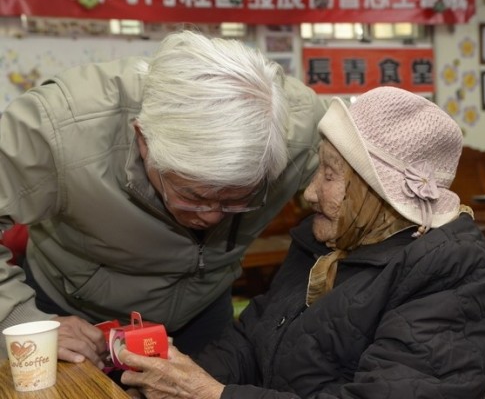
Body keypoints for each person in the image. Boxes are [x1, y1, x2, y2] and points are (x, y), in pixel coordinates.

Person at [118, 86, 485, 399]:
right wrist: (174, 375)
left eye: (328, 175)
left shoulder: (453, 273)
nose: (309, 194)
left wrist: (212, 394)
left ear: (376, 195)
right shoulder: (331, 243)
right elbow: (250, 340)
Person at [0, 30, 326, 368]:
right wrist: (20, 321)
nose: (213, 218)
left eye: (236, 201)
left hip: (203, 312)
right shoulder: (57, 128)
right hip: (70, 312)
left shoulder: (303, 129)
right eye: (193, 196)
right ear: (144, 141)